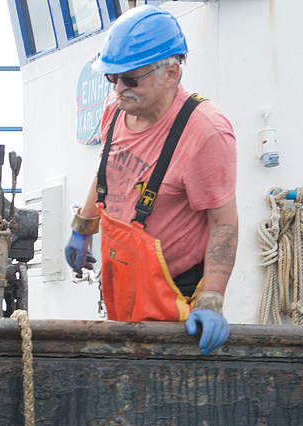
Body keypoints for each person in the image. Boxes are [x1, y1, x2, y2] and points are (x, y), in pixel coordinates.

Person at [65, 5, 236, 355]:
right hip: (122, 282)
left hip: (171, 295)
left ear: (171, 73)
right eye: (111, 78)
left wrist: (211, 300)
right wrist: (82, 228)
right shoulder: (116, 109)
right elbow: (106, 170)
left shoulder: (205, 133)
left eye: (129, 79)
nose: (117, 89)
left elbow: (224, 224)